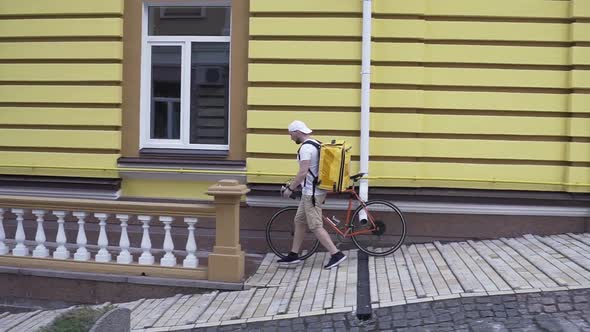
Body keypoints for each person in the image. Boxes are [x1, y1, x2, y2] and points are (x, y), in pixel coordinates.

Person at [278, 120, 347, 269]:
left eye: (291, 135)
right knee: (299, 221)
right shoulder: (315, 143)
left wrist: (290, 188)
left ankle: (336, 254)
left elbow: (303, 172)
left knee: (315, 226)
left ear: (297, 132)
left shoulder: (305, 149)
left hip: (312, 194)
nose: (291, 138)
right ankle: (293, 255)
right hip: (311, 191)